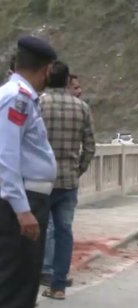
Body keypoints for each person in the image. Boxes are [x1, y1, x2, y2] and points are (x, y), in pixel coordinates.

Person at [0, 35, 58, 308]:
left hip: (27, 198)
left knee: (23, 279)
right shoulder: (17, 99)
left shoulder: (20, 97)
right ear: (47, 69)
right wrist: (23, 210)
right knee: (17, 283)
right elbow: (6, 156)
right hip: (23, 201)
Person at [38, 61, 95, 300]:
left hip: (39, 180)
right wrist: (77, 170)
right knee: (64, 231)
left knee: (38, 232)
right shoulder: (81, 107)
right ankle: (59, 286)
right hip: (68, 181)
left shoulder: (38, 103)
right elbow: (90, 147)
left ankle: (34, 283)